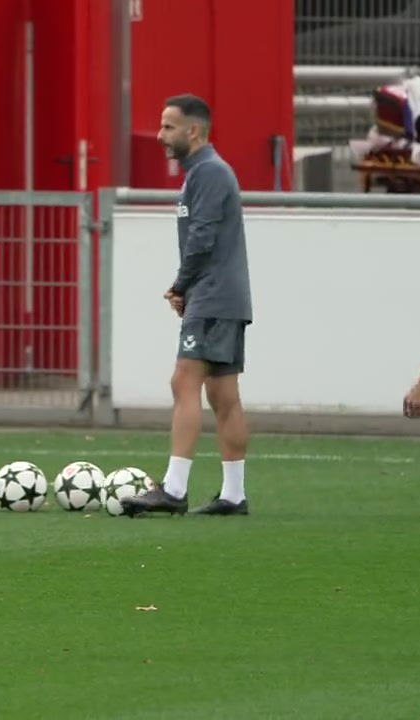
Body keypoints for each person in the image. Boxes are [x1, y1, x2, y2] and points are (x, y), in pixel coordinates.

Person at [122, 94, 253, 518]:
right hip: (221, 296)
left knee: (184, 381)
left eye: (168, 127)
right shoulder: (203, 172)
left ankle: (174, 489)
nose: (161, 136)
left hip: (213, 295)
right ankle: (234, 496)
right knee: (223, 393)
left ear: (192, 130)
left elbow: (202, 239)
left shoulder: (209, 173)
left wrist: (181, 286)